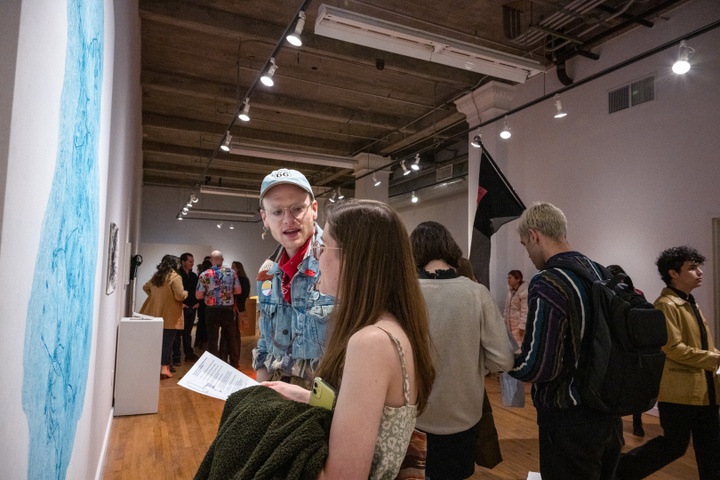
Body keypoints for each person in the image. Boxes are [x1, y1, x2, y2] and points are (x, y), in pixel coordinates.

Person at [264, 199, 435, 479]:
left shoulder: (370, 342)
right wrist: (306, 397)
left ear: (354, 258)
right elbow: (372, 417)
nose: (317, 256)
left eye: (323, 247)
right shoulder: (388, 327)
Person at [508, 202, 622, 480]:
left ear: (534, 235)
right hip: (609, 409)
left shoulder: (549, 280)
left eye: (525, 244)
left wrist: (506, 363)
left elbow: (540, 366)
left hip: (569, 416)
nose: (528, 253)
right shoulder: (599, 272)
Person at [410, 221, 514, 479]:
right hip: (464, 415)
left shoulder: (407, 293)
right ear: (449, 247)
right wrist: (476, 363)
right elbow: (503, 360)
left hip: (416, 415)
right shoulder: (476, 293)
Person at [615, 246, 720, 480]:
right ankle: (616, 472)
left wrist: (715, 361)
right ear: (673, 273)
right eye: (692, 268)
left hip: (705, 392)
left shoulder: (689, 302)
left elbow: (703, 346)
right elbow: (672, 348)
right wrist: (716, 360)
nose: (700, 272)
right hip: (680, 394)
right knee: (673, 446)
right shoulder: (666, 305)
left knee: (711, 450)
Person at [252, 168, 334, 387]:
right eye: (277, 212)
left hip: (324, 400)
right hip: (276, 393)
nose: (288, 220)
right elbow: (264, 345)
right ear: (264, 218)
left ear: (314, 209)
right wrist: (259, 391)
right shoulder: (266, 272)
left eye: (297, 209)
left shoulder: (336, 264)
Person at [606, 264, 646, 438]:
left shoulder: (608, 294)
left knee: (615, 392)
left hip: (616, 348)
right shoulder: (637, 293)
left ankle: (618, 433)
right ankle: (637, 425)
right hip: (637, 347)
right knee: (637, 389)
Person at [139, 254, 188, 379]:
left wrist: (155, 297)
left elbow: (145, 287)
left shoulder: (157, 277)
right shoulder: (174, 277)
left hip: (155, 313)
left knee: (158, 342)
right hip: (170, 314)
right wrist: (186, 293)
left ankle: (157, 367)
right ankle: (164, 368)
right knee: (167, 343)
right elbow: (180, 295)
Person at [196, 250, 242, 366]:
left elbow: (198, 295)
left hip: (211, 310)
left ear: (211, 260)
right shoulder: (232, 273)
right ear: (222, 260)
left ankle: (214, 364)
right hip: (227, 309)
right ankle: (234, 362)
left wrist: (210, 293)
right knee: (231, 337)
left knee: (212, 338)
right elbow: (238, 290)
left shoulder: (204, 274)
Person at [173, 252, 199, 365]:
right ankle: (176, 357)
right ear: (183, 262)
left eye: (193, 261)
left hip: (192, 307)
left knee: (187, 332)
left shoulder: (193, 276)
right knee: (178, 333)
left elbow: (197, 290)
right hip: (181, 307)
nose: (192, 263)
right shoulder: (177, 275)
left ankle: (189, 354)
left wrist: (197, 302)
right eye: (190, 261)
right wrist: (181, 303)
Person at [504, 270, 528, 345]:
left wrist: (522, 326)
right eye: (507, 278)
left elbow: (525, 310)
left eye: (510, 278)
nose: (508, 280)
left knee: (519, 347)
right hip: (509, 325)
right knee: (512, 347)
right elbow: (507, 309)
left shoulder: (524, 293)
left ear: (517, 279)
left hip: (518, 326)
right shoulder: (510, 292)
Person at [194, 257, 212, 351]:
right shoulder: (207, 276)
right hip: (206, 303)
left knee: (201, 322)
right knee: (205, 323)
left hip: (201, 303)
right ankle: (204, 342)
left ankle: (199, 342)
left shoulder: (200, 276)